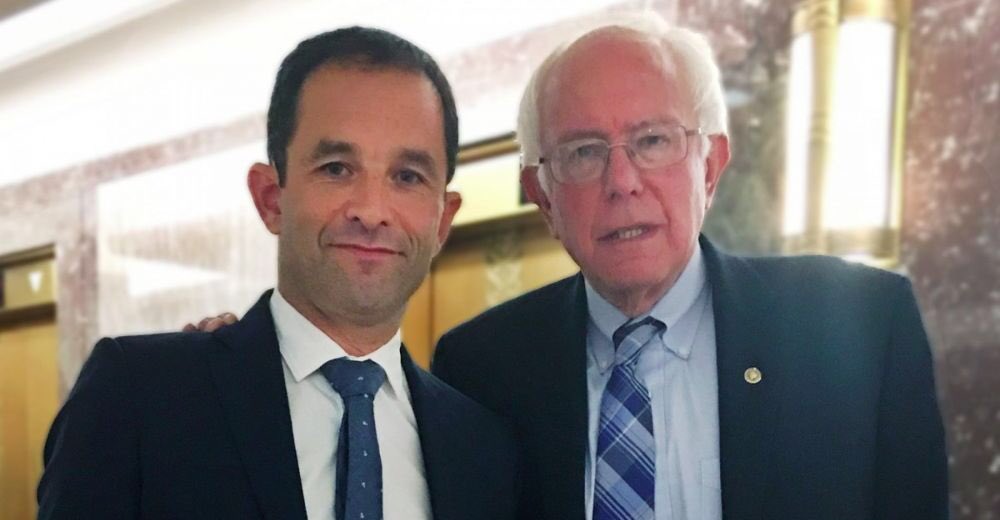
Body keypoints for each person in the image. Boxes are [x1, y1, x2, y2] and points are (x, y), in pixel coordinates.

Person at [431, 18, 948, 520]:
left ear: (710, 166)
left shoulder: (862, 330)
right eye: (583, 152)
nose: (622, 181)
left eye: (653, 141)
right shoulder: (478, 372)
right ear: (542, 197)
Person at [37, 27, 518, 520]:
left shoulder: (482, 448)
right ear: (271, 199)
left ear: (442, 221)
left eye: (408, 176)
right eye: (336, 168)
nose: (372, 211)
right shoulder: (142, 396)